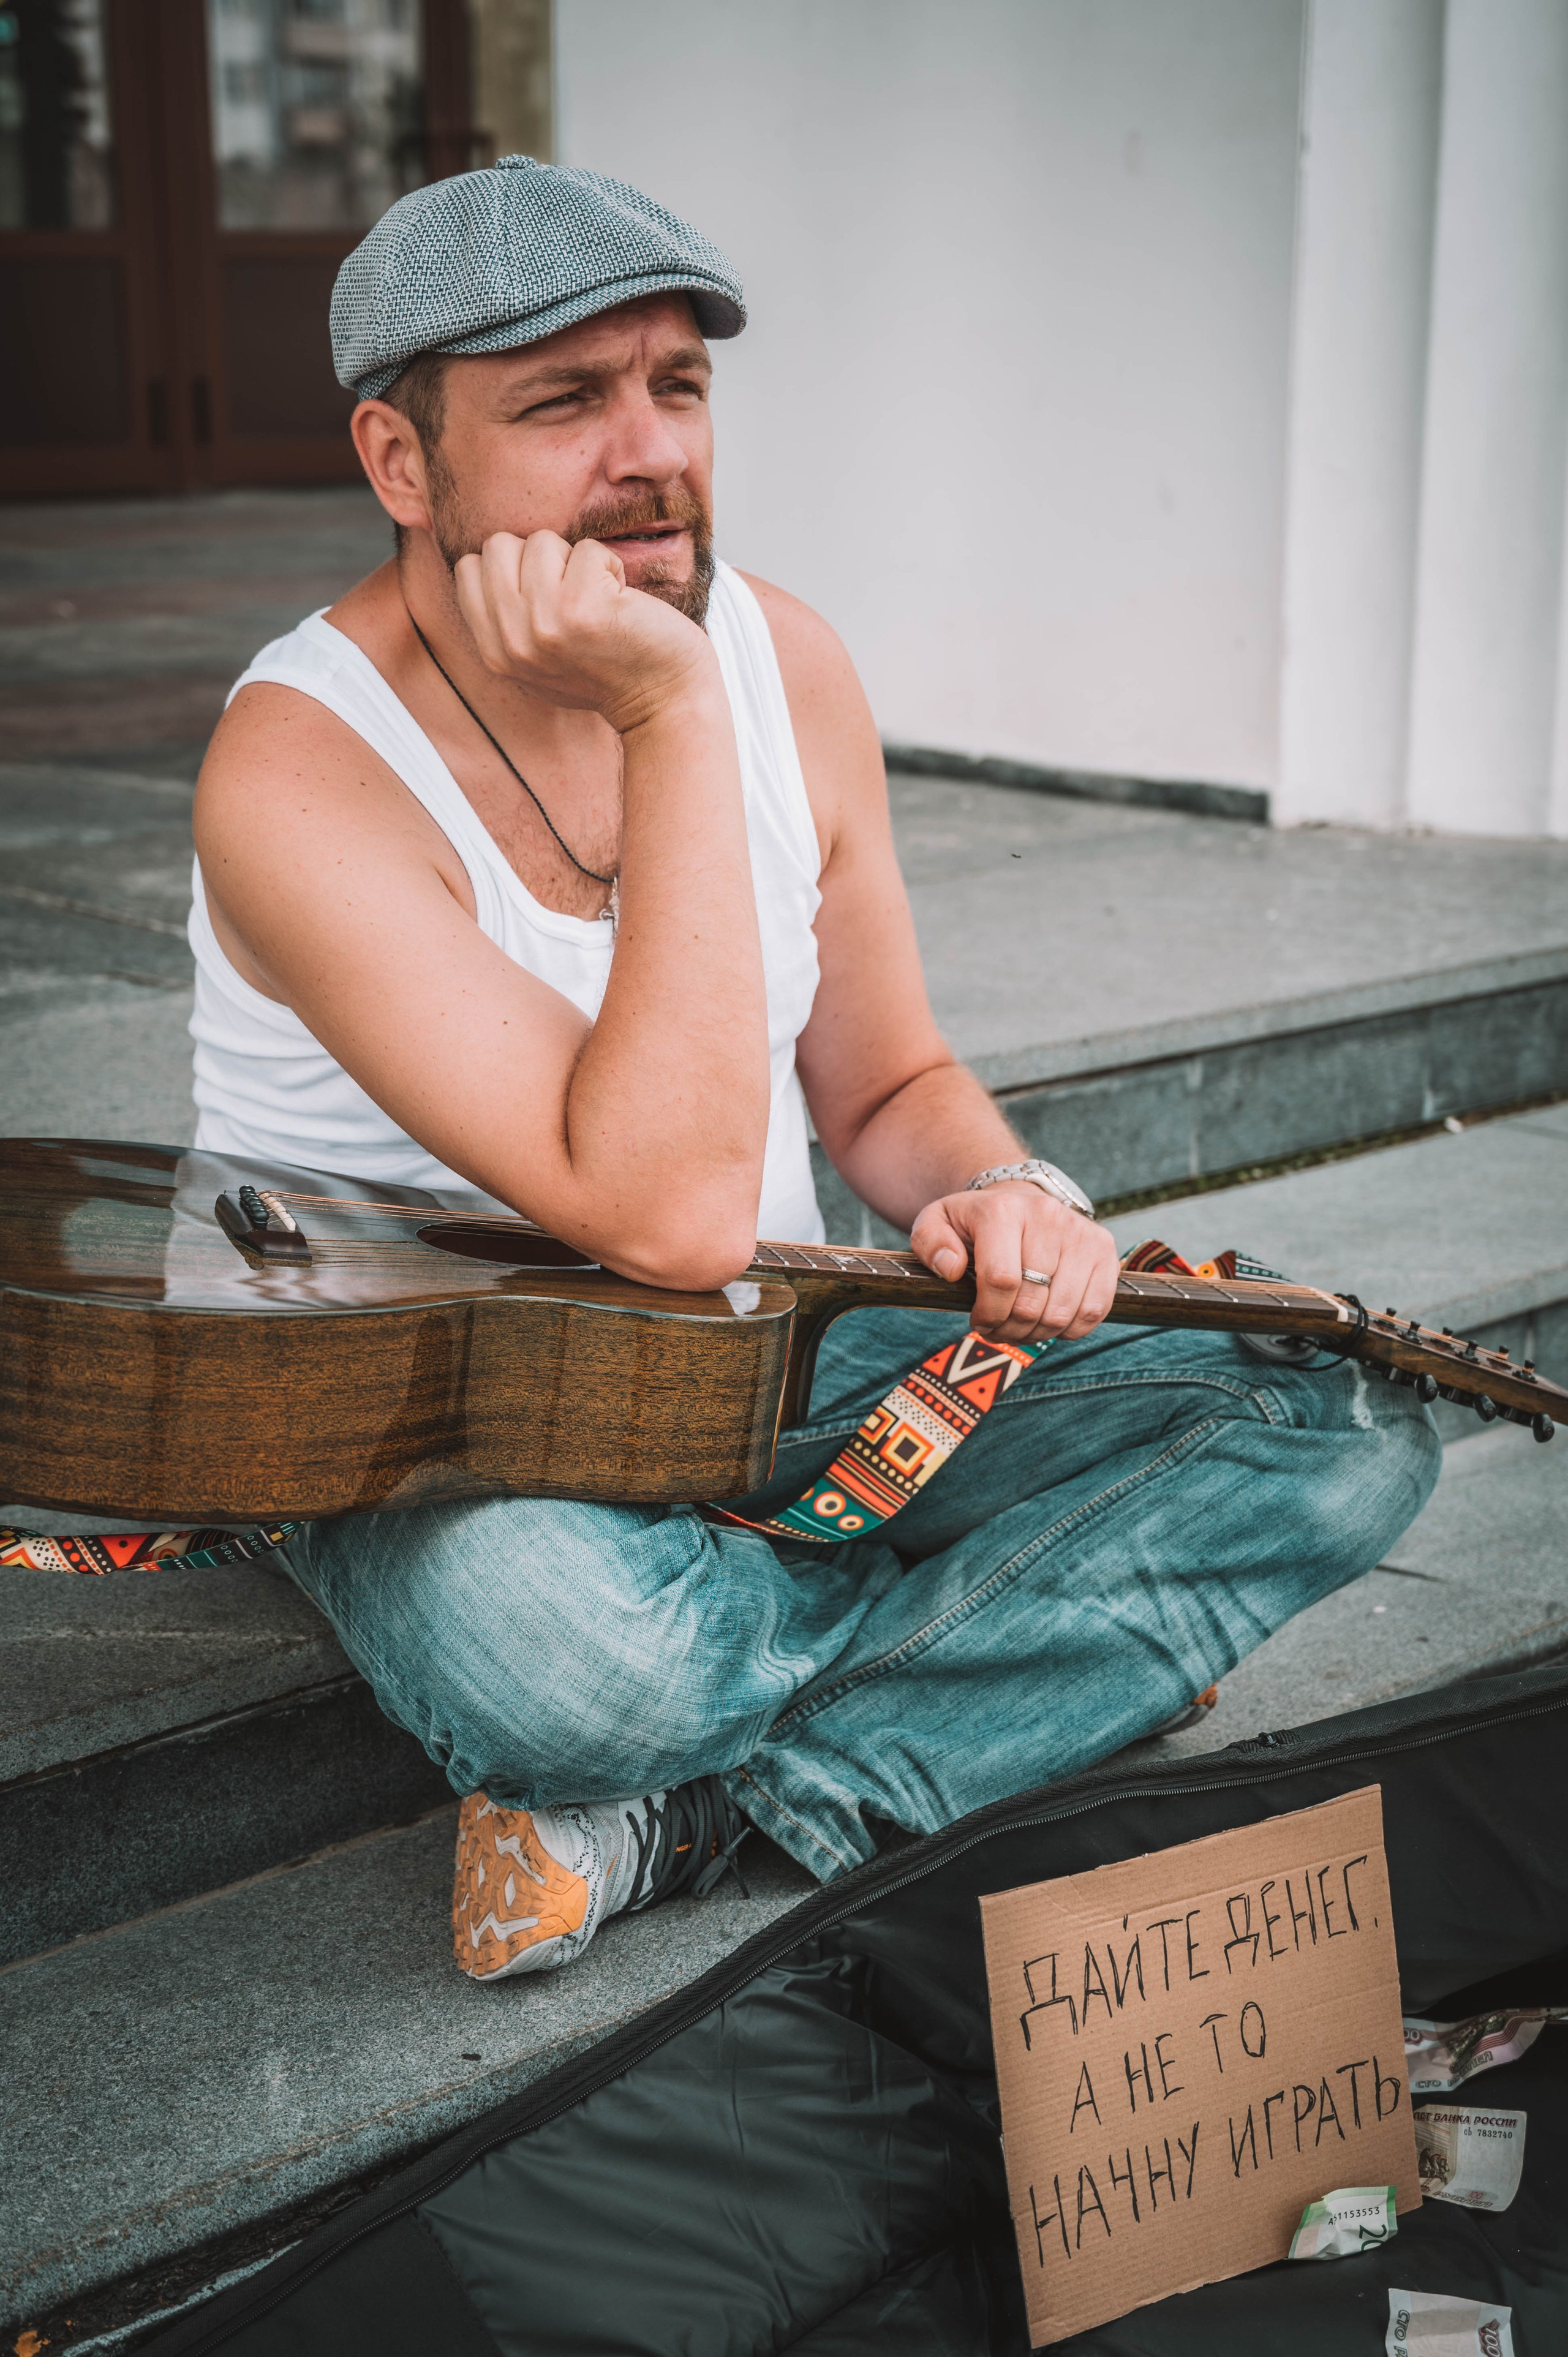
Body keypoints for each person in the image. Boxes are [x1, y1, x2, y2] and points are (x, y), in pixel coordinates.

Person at [190, 157, 1440, 1980]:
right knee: (583, 1664)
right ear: (401, 463)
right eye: (563, 403)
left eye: (678, 386)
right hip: (419, 1411)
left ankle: (710, 1808)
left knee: (1333, 1424)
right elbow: (669, 1209)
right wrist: (666, 705)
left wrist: (1004, 1193)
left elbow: (883, 1089)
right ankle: (1021, 1664)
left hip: (756, 1361)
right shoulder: (298, 772)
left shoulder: (791, 662)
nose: (653, 453)